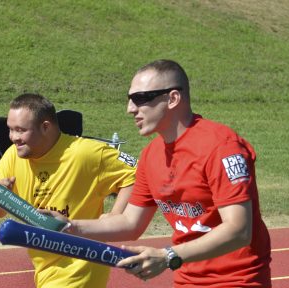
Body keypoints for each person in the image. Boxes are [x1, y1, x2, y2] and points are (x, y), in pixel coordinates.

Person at [47, 59, 272, 287]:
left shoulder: (222, 147)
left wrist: (167, 256)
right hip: (187, 280)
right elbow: (130, 222)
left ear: (173, 98)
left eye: (141, 98)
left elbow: (239, 230)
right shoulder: (151, 155)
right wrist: (69, 226)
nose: (130, 109)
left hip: (239, 281)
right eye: (129, 99)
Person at [0, 93, 137, 288]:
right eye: (10, 129)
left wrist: (117, 216)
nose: (13, 137)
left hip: (80, 269)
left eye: (21, 130)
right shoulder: (12, 156)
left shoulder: (85, 153)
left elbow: (138, 173)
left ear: (45, 127)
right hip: (45, 270)